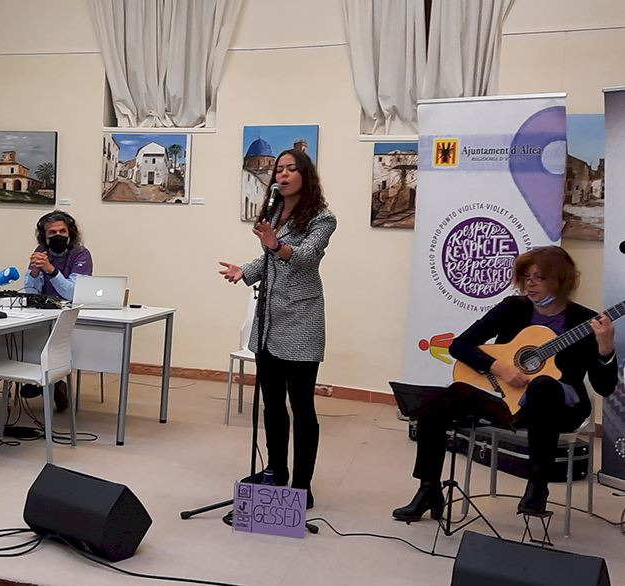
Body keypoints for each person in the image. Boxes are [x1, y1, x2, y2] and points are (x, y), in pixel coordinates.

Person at [393, 246, 618, 520]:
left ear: (561, 281)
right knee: (437, 405)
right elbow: (459, 345)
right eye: (526, 277)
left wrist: (605, 349)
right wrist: (499, 367)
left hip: (555, 408)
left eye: (539, 278)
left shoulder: (585, 321)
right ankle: (428, 490)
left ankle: (537, 486)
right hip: (502, 399)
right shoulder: (513, 308)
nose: (530, 284)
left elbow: (604, 387)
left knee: (543, 385)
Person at [218, 149, 337, 509]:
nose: (282, 175)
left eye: (290, 169)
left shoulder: (322, 218)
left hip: (301, 320)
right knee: (271, 404)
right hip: (269, 320)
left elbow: (306, 259)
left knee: (301, 406)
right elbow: (269, 259)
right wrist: (246, 271)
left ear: (305, 175)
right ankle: (276, 471)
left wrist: (276, 244)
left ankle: (302, 485)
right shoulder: (273, 212)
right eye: (278, 170)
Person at [21, 210, 93, 412]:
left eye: (62, 231)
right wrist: (35, 271)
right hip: (44, 311)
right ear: (44, 236)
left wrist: (51, 270)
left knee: (53, 343)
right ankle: (47, 380)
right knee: (26, 339)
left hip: (71, 312)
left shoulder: (81, 254)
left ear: (70, 233)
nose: (58, 235)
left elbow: (72, 293)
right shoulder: (41, 251)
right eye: (52, 232)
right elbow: (30, 292)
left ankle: (51, 381)